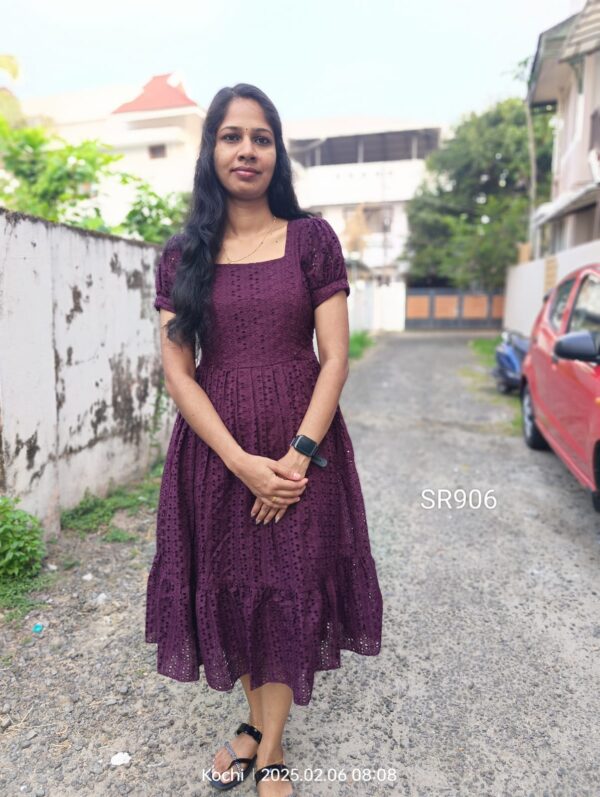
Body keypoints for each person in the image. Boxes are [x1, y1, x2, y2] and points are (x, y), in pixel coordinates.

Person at [145, 83, 383, 796]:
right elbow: (179, 372)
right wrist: (240, 462)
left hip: (302, 448)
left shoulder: (312, 240)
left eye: (261, 137)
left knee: (288, 584)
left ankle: (269, 746)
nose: (246, 150)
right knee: (238, 587)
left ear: (277, 152)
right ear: (210, 150)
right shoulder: (181, 254)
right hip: (217, 454)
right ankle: (255, 724)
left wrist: (296, 458)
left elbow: (334, 358)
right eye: (231, 136)